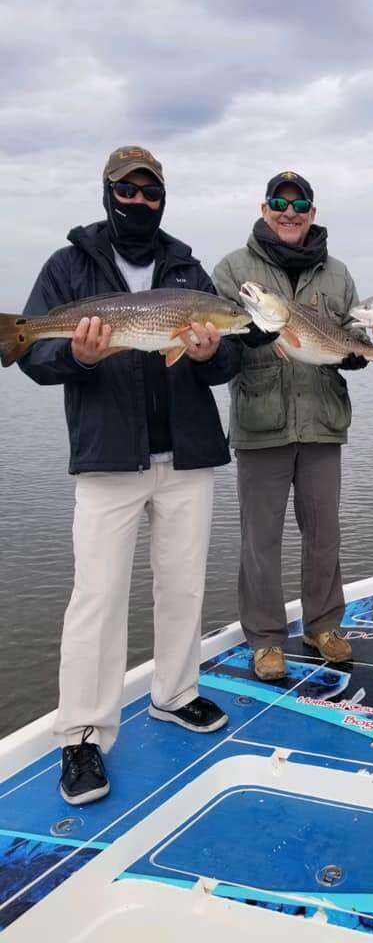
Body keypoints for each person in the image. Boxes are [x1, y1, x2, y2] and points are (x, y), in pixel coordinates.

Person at [19, 146, 246, 805]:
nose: (140, 202)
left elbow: (226, 359)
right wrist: (82, 359)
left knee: (183, 585)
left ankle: (175, 693)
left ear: (163, 197)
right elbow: (36, 356)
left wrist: (211, 351)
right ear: (108, 193)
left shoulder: (185, 268)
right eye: (128, 191)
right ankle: (84, 734)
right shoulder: (69, 266)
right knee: (96, 597)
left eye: (150, 192)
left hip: (187, 455)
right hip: (107, 457)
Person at [213, 171, 366, 682]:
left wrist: (356, 354)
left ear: (312, 213)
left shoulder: (338, 274)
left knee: (324, 533)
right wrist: (246, 339)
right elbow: (215, 350)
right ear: (264, 208)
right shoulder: (234, 270)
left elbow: (351, 332)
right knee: (260, 538)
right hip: (261, 423)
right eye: (280, 202)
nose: (289, 212)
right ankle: (265, 639)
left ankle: (323, 625)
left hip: (323, 421)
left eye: (299, 204)